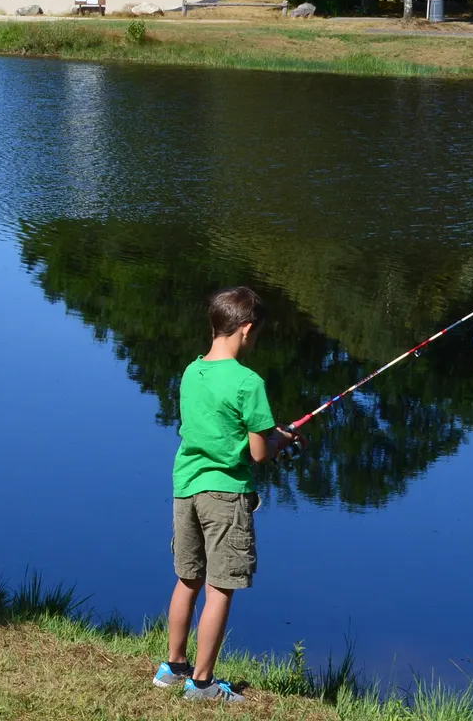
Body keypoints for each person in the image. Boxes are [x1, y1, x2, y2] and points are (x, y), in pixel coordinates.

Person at [153, 287, 303, 702]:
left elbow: (213, 427)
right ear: (247, 330)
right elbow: (258, 453)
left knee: (188, 579)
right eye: (257, 335)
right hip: (225, 495)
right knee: (221, 585)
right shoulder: (248, 382)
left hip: (186, 487)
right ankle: (202, 684)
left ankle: (173, 667)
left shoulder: (191, 371)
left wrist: (272, 435)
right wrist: (283, 441)